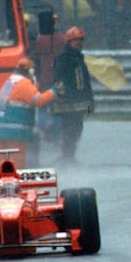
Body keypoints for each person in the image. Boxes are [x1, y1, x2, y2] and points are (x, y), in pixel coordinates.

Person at [0, 58, 55, 166]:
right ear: (30, 72)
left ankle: (3, 182)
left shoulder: (9, 82)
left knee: (3, 164)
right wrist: (54, 91)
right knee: (17, 164)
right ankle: (18, 182)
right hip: (16, 134)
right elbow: (39, 101)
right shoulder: (24, 84)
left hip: (1, 132)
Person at [51, 26, 95, 162]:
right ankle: (66, 156)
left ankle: (70, 155)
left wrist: (90, 102)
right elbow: (58, 80)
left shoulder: (78, 58)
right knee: (69, 131)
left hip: (79, 103)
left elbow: (85, 82)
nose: (79, 43)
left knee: (77, 130)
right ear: (69, 41)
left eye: (81, 40)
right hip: (67, 104)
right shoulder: (63, 58)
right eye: (76, 40)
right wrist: (65, 99)